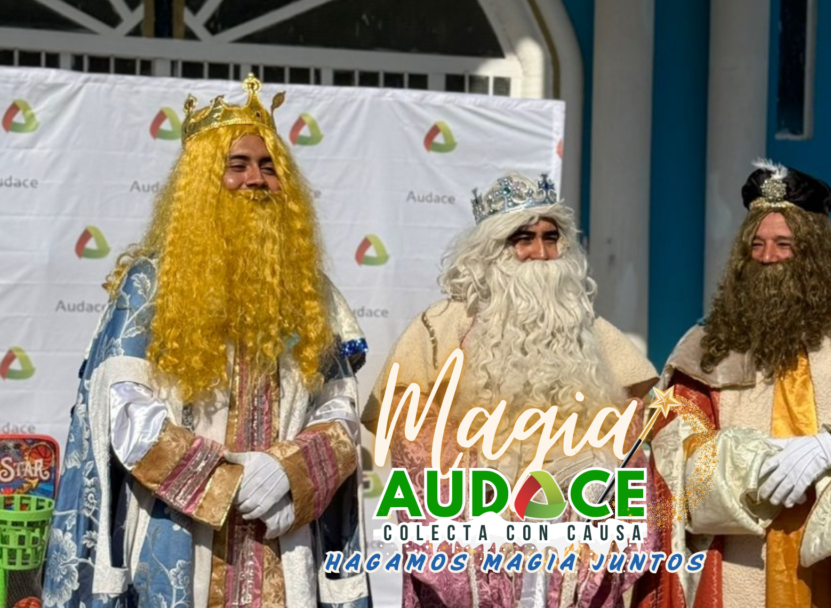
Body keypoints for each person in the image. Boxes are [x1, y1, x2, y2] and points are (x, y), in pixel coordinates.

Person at [42, 76, 371, 608]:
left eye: (269, 167)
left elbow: (339, 405)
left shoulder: (314, 293)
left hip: (284, 536)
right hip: (177, 535)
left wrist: (289, 470)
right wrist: (226, 479)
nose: (256, 179)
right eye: (238, 165)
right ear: (202, 180)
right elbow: (120, 407)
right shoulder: (151, 284)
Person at [632, 161, 831, 608]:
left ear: (814, 255)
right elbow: (674, 456)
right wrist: (755, 463)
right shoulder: (704, 353)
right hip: (738, 572)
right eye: (757, 244)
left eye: (784, 244)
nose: (767, 257)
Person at [362, 173, 659, 608]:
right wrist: (485, 477)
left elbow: (631, 427)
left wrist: (594, 470)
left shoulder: (595, 333)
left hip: (571, 538)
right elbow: (406, 423)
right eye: (524, 238)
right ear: (491, 249)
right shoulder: (439, 328)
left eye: (551, 237)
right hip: (480, 533)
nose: (541, 253)